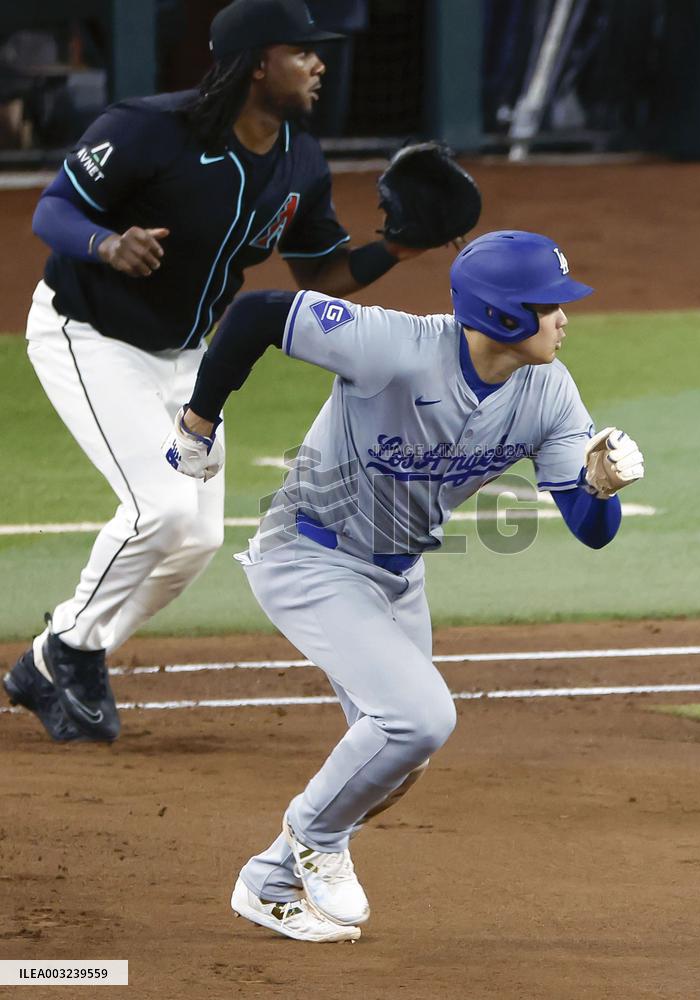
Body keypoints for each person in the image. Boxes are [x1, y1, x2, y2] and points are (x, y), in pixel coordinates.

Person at [164, 230, 646, 942]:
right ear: (504, 315)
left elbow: (591, 528)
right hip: (310, 557)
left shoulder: (548, 392)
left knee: (396, 762)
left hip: (397, 576)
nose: (565, 318)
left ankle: (269, 881)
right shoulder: (392, 344)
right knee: (420, 718)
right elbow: (257, 314)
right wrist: (199, 423)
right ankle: (314, 838)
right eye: (550, 305)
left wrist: (598, 488)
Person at [3, 0, 430, 744]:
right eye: (303, 53)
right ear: (258, 62)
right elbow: (53, 209)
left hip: (186, 358)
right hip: (89, 335)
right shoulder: (145, 128)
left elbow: (322, 275)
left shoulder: (299, 158)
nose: (318, 64)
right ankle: (67, 648)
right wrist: (105, 244)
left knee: (197, 539)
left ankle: (65, 653)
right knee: (160, 511)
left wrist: (397, 248)